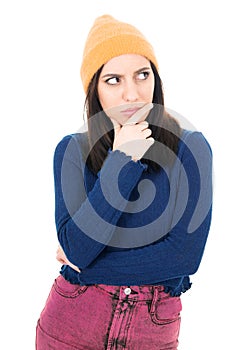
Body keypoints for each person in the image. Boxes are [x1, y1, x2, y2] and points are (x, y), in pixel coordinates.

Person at [36, 14, 213, 350]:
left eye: (142, 75)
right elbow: (79, 247)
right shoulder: (71, 151)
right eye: (113, 80)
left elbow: (183, 258)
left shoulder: (191, 148)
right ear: (95, 90)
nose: (132, 93)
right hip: (72, 323)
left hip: (152, 327)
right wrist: (122, 161)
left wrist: (85, 268)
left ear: (155, 80)